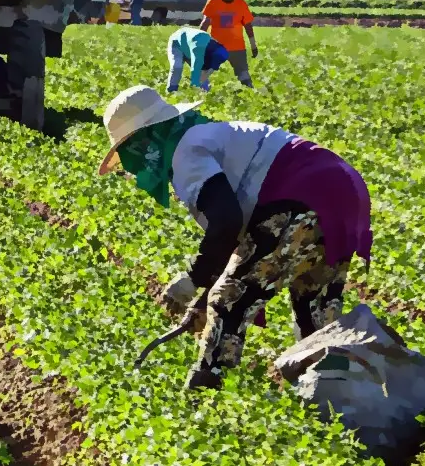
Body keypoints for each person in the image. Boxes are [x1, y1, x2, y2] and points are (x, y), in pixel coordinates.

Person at [97, 84, 373, 391]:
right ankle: (339, 394)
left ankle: (206, 394)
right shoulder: (207, 136)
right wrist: (202, 302)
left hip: (302, 196)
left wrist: (195, 278)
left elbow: (227, 221)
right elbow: (241, 243)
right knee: (314, 305)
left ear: (142, 142)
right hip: (341, 189)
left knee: (228, 301)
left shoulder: (186, 152)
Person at [199, 0, 256, 88]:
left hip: (237, 48)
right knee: (204, 74)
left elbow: (248, 26)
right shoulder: (212, 2)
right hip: (217, 47)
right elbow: (205, 23)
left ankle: (250, 93)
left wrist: (253, 46)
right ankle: (204, 93)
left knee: (243, 75)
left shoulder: (241, 4)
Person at [166, 25, 231, 94]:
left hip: (190, 45)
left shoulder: (220, 53)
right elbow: (195, 69)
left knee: (202, 72)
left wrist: (204, 85)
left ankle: (205, 91)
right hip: (177, 42)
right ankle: (171, 90)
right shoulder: (199, 47)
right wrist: (195, 86)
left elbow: (209, 70)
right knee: (177, 66)